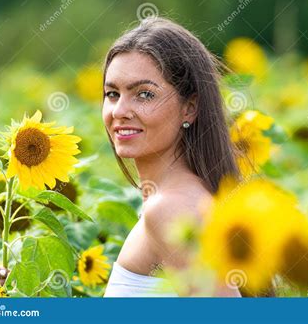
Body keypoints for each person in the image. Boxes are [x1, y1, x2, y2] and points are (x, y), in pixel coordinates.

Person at [102, 17, 242, 297]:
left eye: (144, 94)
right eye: (112, 93)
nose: (119, 111)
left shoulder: (169, 209)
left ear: (189, 108)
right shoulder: (185, 198)